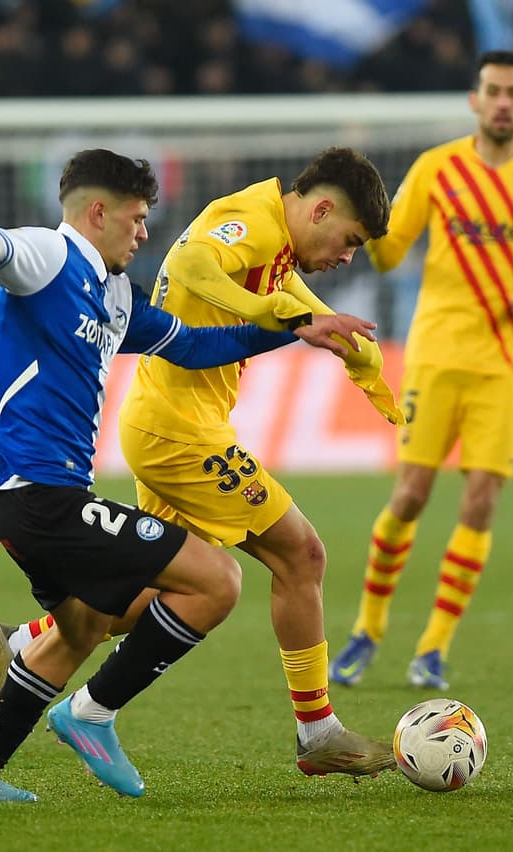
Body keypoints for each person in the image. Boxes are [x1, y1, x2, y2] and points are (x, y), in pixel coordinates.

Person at [0, 149, 379, 803]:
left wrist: (299, 328)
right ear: (98, 212)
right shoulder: (49, 258)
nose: (145, 234)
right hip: (37, 494)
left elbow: (195, 345)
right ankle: (92, 713)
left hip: (40, 501)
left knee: (85, 625)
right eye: (137, 219)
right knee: (216, 581)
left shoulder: (115, 297)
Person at [111, 146, 403, 778]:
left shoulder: (273, 239)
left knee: (158, 590)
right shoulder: (251, 219)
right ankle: (317, 728)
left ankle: (21, 644)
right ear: (322, 209)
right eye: (349, 239)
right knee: (303, 556)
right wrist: (268, 313)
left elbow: (294, 304)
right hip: (182, 436)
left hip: (162, 424)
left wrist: (353, 354)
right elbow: (190, 261)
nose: (347, 258)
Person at [330, 50, 513, 690]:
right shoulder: (437, 169)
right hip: (438, 354)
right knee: (411, 494)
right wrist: (360, 215)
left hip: (508, 363)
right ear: (474, 100)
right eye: (493, 91)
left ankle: (434, 648)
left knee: (480, 501)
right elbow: (390, 255)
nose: (503, 101)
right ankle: (368, 629)